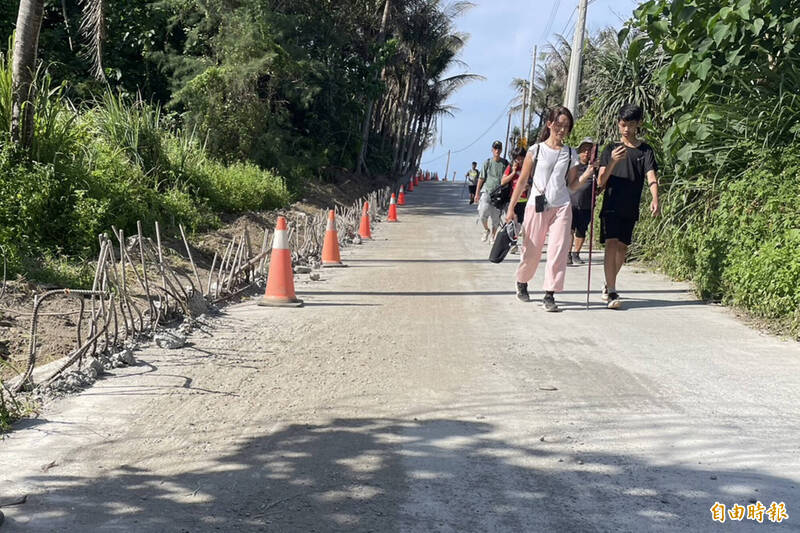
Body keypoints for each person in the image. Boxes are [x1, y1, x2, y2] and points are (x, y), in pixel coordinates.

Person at [505, 106, 595, 312]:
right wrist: (511, 208)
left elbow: (571, 185)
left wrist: (587, 173)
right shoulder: (535, 150)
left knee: (558, 251)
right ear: (549, 124)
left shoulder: (570, 153)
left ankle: (550, 293)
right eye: (558, 125)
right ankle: (522, 281)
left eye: (566, 126)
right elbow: (522, 182)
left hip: (561, 206)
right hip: (536, 205)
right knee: (532, 249)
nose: (562, 130)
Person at [596, 103, 660, 309]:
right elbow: (600, 182)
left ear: (638, 124)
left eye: (631, 125)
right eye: (623, 124)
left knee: (622, 249)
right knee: (611, 244)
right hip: (611, 205)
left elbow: (651, 176)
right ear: (618, 124)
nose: (626, 129)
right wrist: (613, 161)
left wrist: (655, 198)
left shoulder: (645, 150)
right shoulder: (610, 149)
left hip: (630, 206)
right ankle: (613, 291)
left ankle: (608, 283)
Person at [568, 138, 598, 265]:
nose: (586, 153)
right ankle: (567, 254)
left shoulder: (595, 167)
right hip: (571, 203)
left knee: (581, 230)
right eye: (584, 150)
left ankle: (576, 253)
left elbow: (601, 184)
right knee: (570, 229)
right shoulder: (574, 165)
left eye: (589, 150)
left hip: (586, 204)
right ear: (579, 151)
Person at [475, 140, 509, 242]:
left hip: (500, 194)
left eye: (499, 148)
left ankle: (493, 235)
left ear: (501, 150)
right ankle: (486, 229)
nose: (497, 150)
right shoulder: (488, 162)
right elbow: (481, 178)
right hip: (487, 192)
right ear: (492, 150)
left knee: (496, 217)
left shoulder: (505, 163)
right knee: (482, 213)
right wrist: (477, 193)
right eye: (495, 148)